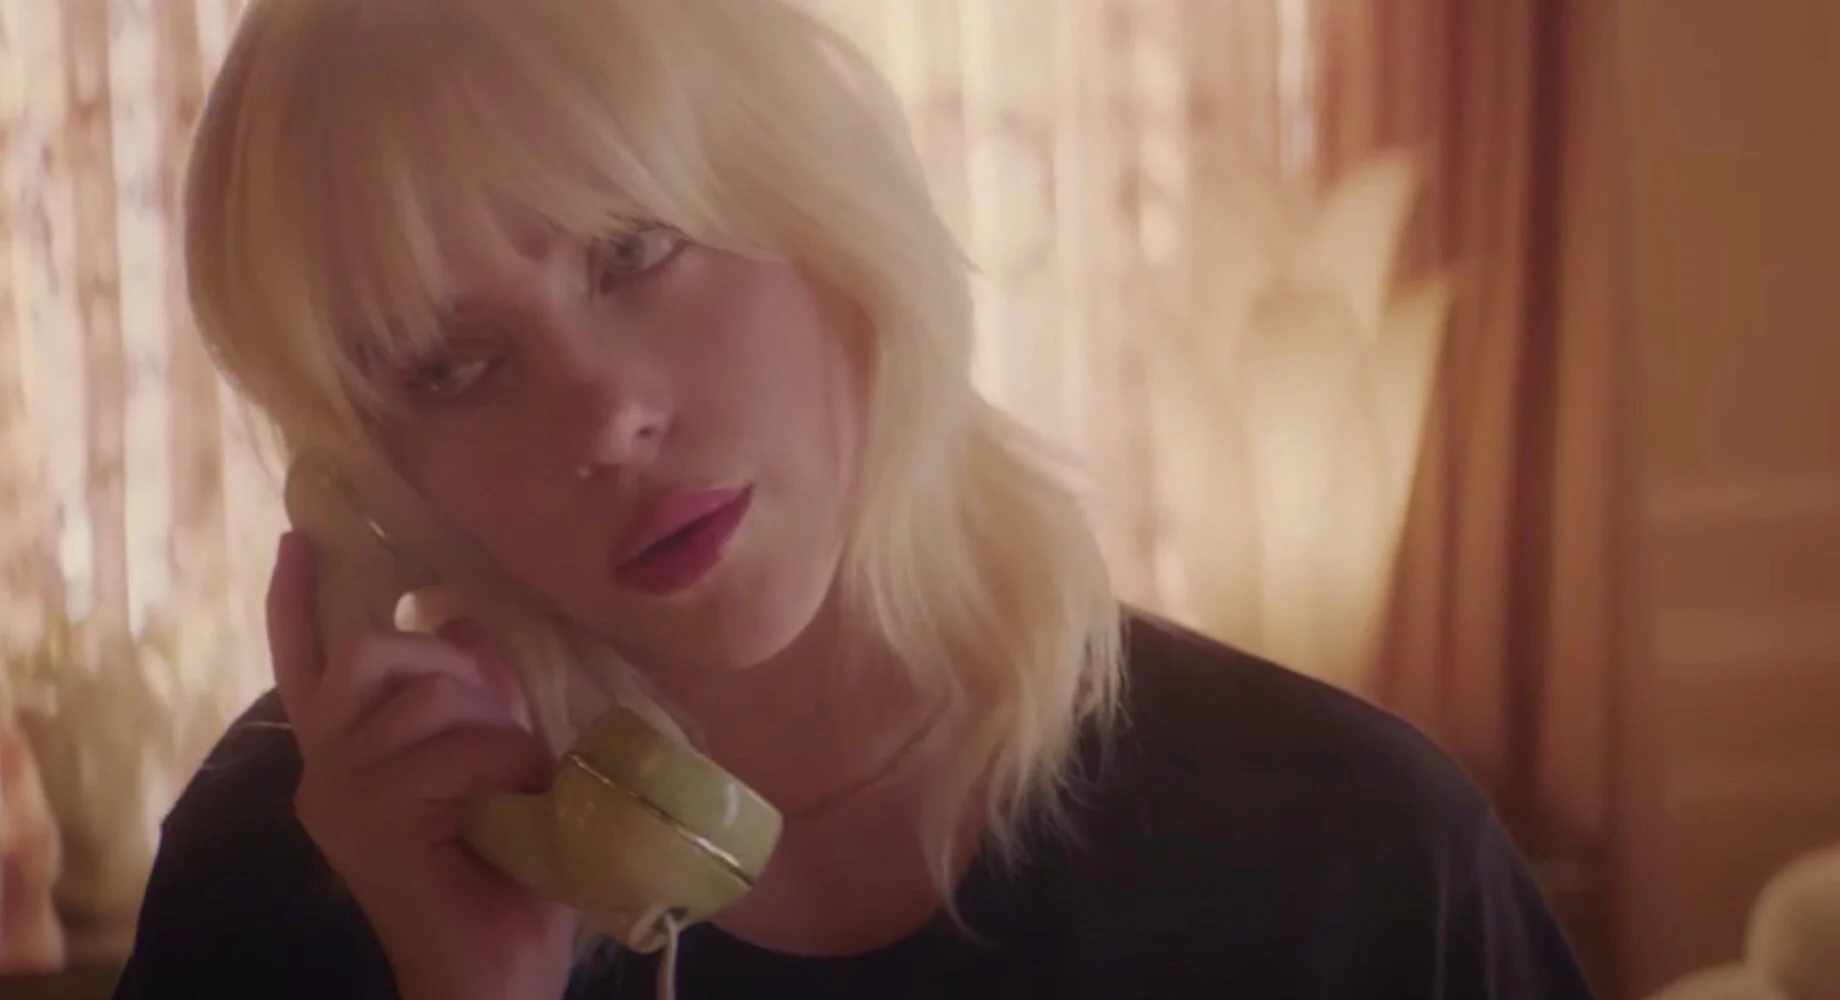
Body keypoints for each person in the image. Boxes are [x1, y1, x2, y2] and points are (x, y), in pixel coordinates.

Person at [111, 0, 1599, 998]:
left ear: (829, 213)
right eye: (451, 367)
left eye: (635, 249)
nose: (606, 419)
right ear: (375, 485)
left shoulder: (1354, 853)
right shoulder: (292, 878)